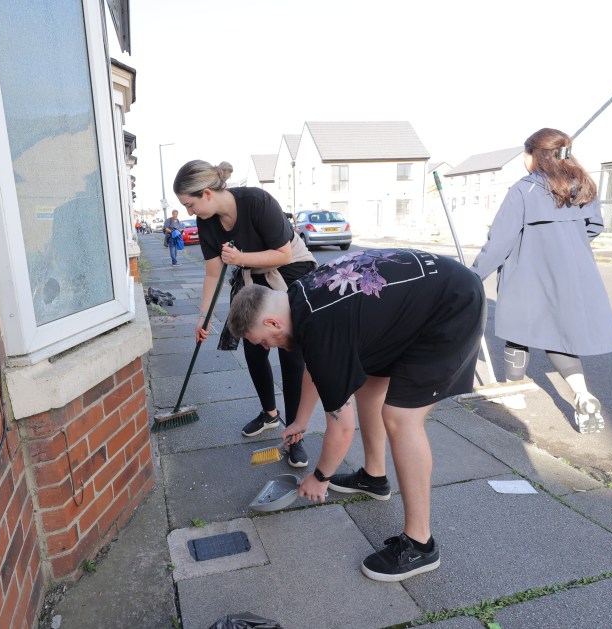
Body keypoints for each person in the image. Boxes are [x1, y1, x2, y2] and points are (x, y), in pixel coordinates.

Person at [226, 249, 485, 581]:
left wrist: (319, 478)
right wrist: (301, 420)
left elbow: (342, 427)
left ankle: (421, 545)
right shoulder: (297, 297)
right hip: (425, 296)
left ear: (272, 322)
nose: (266, 348)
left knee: (400, 418)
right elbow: (316, 369)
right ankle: (374, 478)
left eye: (262, 340)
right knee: (369, 385)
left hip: (450, 306)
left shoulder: (319, 326)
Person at [471, 128, 612, 434]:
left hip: (528, 271)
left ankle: (513, 393)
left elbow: (500, 241)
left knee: (519, 327)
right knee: (558, 334)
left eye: (525, 155)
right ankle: (582, 393)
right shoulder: (581, 186)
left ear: (535, 155)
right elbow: (595, 226)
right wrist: (567, 244)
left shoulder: (524, 190)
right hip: (572, 272)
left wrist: (472, 276)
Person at [174, 160, 316, 468]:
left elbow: (284, 253)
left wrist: (240, 257)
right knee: (253, 348)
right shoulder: (207, 220)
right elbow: (213, 272)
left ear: (207, 194)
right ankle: (269, 415)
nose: (189, 212)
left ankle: (296, 435)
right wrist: (203, 317)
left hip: (290, 272)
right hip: (253, 274)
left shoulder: (257, 202)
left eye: (190, 204)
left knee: (292, 357)